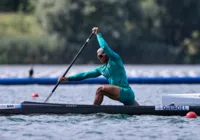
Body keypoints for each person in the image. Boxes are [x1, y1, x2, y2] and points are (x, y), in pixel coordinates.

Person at [58, 27, 139, 106]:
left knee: (99, 89)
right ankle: (96, 110)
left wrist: (98, 34)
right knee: (138, 110)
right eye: (97, 56)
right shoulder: (102, 69)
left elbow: (105, 47)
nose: (99, 58)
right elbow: (85, 75)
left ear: (106, 54)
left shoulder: (115, 59)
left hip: (125, 92)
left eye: (100, 56)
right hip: (122, 95)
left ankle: (93, 110)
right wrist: (68, 78)